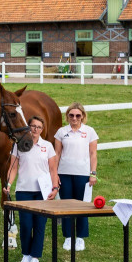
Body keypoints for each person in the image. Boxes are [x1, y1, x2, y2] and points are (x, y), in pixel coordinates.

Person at [4, 115, 58, 262]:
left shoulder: (47, 146)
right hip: (23, 190)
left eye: (38, 127)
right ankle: (26, 254)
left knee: (39, 226)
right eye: (32, 126)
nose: (35, 129)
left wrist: (54, 188)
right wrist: (8, 184)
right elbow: (13, 167)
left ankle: (35, 257)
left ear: (42, 130)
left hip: (42, 191)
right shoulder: (19, 145)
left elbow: (53, 169)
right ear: (28, 127)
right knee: (26, 225)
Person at [54, 102, 98, 251]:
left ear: (83, 116)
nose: (74, 118)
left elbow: (93, 154)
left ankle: (80, 237)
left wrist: (93, 173)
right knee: (66, 205)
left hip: (82, 174)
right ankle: (68, 237)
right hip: (64, 173)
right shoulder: (61, 132)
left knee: (82, 205)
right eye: (71, 115)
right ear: (67, 116)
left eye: (78, 115)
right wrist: (54, 174)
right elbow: (57, 154)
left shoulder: (89, 131)